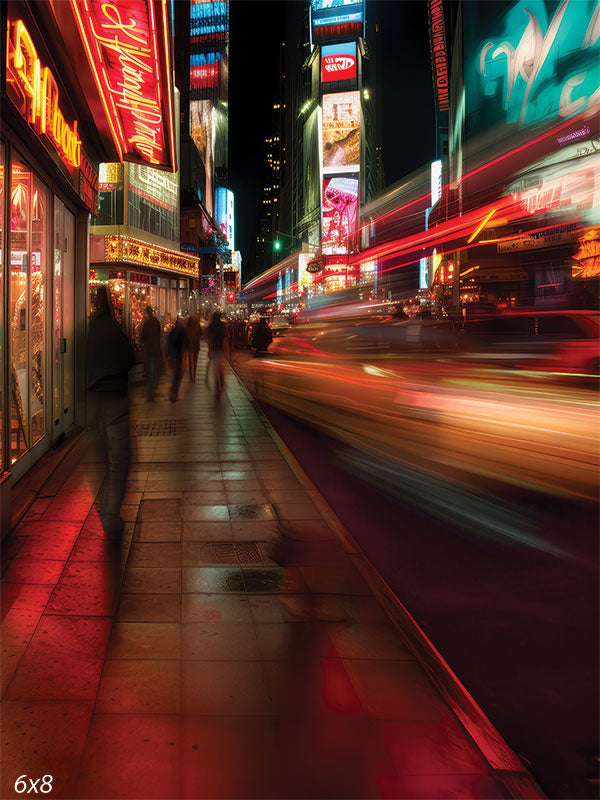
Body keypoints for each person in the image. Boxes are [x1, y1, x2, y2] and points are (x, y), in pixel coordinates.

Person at [87, 285, 135, 534]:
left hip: (94, 401)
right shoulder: (114, 329)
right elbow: (129, 357)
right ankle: (111, 514)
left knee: (100, 461)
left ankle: (104, 509)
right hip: (115, 400)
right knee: (121, 460)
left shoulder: (90, 329)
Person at [139, 305, 161, 401]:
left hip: (150, 351)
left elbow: (142, 337)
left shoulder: (147, 323)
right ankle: (153, 390)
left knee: (150, 372)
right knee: (154, 371)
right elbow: (159, 334)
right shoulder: (156, 321)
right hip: (156, 350)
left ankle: (151, 394)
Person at [206, 309, 228, 397]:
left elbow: (210, 339)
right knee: (221, 368)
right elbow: (225, 339)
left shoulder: (211, 326)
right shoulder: (223, 325)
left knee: (216, 368)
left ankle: (218, 386)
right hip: (221, 349)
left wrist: (209, 350)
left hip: (214, 349)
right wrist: (227, 350)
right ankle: (221, 384)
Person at [167, 317, 186, 402]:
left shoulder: (172, 332)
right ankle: (174, 392)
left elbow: (168, 344)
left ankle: (173, 391)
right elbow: (185, 343)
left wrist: (168, 355)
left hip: (172, 356)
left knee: (175, 374)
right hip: (179, 356)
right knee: (178, 376)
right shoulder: (183, 331)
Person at [185, 313, 202, 383]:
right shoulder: (197, 326)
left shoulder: (188, 327)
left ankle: (191, 375)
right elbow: (201, 333)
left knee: (190, 360)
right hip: (196, 345)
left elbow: (185, 336)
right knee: (195, 361)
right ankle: (194, 375)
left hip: (189, 345)